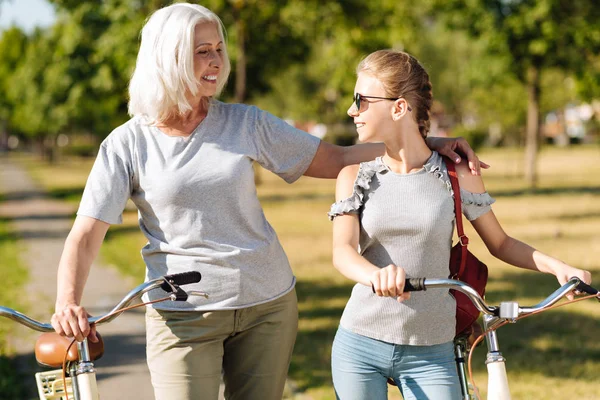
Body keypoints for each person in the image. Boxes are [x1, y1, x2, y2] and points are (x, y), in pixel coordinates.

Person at [50, 4, 483, 400]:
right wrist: (67, 300)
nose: (216, 60)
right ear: (169, 57)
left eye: (219, 48)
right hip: (183, 317)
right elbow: (86, 234)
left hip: (267, 308)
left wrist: (425, 145)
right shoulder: (127, 144)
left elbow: (336, 159)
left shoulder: (246, 123)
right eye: (202, 51)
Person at [328, 49, 592, 400]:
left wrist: (558, 267)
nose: (352, 110)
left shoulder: (457, 174)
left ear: (399, 107)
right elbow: (342, 252)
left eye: (360, 100)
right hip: (360, 344)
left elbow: (501, 243)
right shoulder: (354, 175)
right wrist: (375, 274)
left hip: (432, 351)